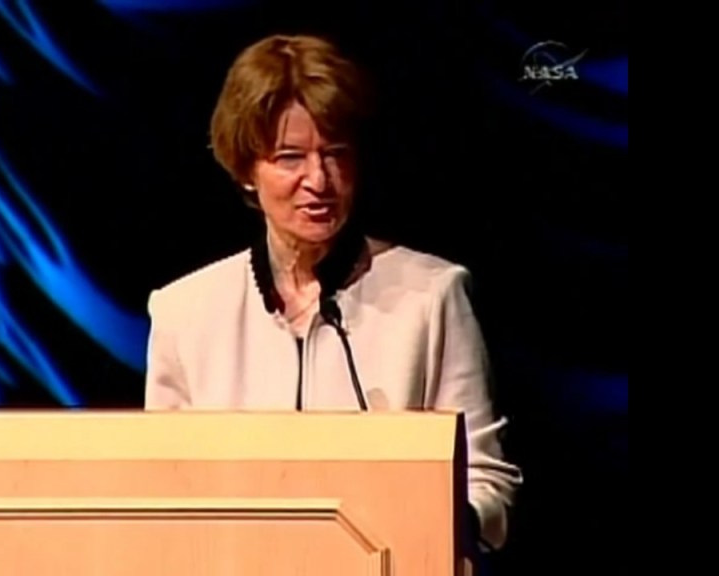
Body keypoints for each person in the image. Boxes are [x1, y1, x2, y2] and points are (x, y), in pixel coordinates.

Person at [144, 33, 522, 552]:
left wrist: (438, 529)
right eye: (290, 157)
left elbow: (485, 482)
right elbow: (161, 491)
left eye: (335, 154)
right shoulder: (185, 313)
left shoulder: (432, 296)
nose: (318, 180)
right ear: (246, 170)